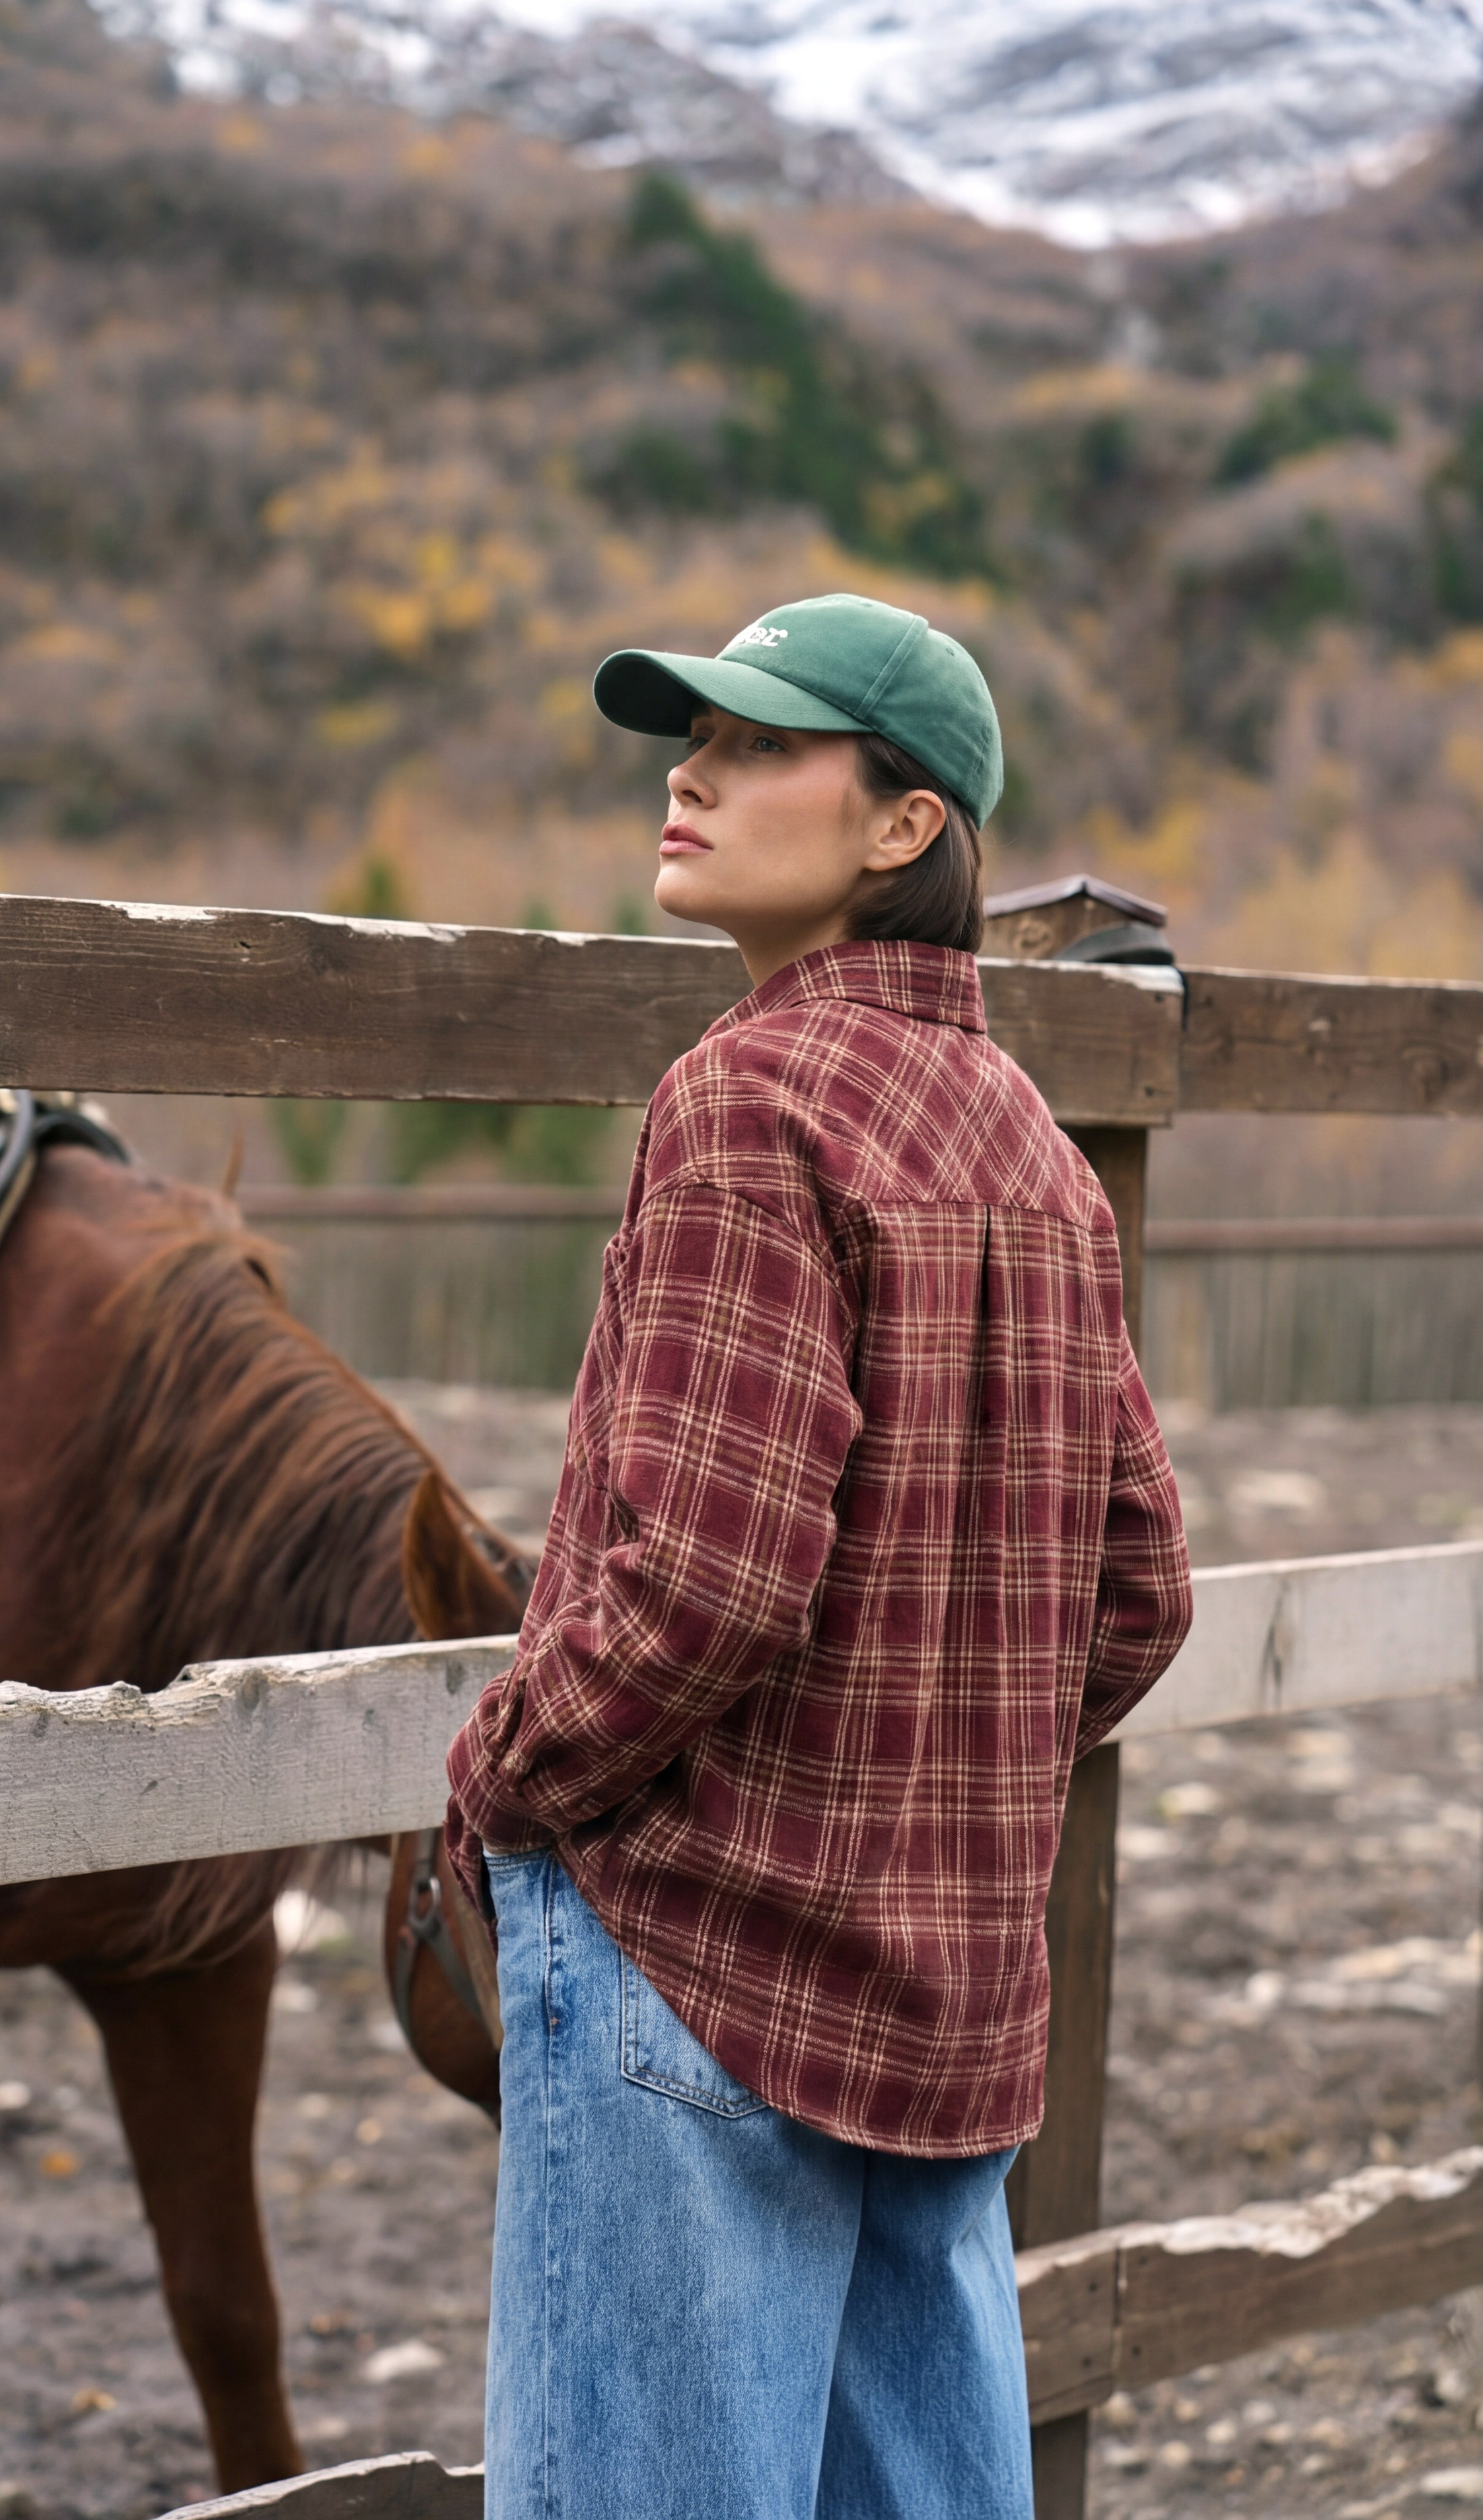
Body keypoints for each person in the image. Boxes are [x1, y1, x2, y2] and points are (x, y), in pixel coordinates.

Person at [445, 591, 1193, 2520]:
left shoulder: (748, 1096)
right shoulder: (1034, 1144)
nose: (691, 776)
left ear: (904, 824)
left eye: (761, 745)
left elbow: (710, 1579)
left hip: (691, 1964)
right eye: (693, 739)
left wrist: (504, 1782)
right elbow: (1138, 1588)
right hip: (952, 2000)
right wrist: (931, 1784)